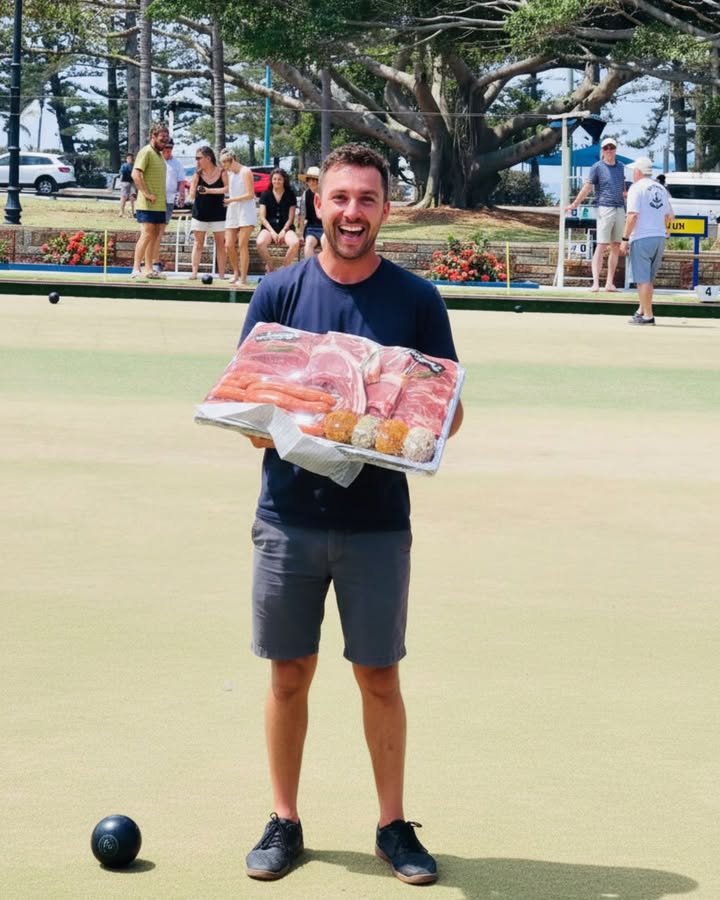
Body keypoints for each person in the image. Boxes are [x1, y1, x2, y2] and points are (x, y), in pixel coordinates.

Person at [239, 143, 464, 886]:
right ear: (318, 203)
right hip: (288, 517)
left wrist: (411, 426)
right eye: (340, 199)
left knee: (378, 676)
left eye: (366, 199)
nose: (352, 213)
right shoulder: (278, 294)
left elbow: (447, 415)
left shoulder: (416, 301)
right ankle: (284, 820)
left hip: (375, 524)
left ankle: (392, 827)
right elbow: (245, 408)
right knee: (287, 676)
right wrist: (292, 423)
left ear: (385, 209)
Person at [565, 136, 626, 292]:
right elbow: (587, 187)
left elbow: (622, 189)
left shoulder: (620, 167)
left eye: (611, 147)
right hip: (604, 208)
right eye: (606, 148)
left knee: (616, 246)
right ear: (602, 151)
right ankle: (596, 283)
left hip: (620, 208)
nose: (609, 150)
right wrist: (575, 204)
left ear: (615, 149)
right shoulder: (597, 167)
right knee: (601, 245)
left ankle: (609, 283)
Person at [620, 156, 674, 326]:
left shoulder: (636, 188)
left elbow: (632, 215)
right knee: (647, 279)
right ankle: (642, 310)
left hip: (642, 237)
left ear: (638, 171)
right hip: (659, 238)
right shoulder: (660, 188)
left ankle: (648, 315)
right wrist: (666, 230)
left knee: (642, 279)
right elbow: (670, 215)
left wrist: (624, 238)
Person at [131, 123, 169, 280]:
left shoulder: (159, 155)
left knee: (155, 235)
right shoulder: (145, 152)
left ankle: (148, 268)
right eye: (162, 137)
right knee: (146, 234)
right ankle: (135, 268)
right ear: (153, 136)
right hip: (147, 203)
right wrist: (146, 194)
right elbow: (135, 174)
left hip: (159, 203)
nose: (165, 140)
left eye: (167, 137)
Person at [187, 146, 228, 279]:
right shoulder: (197, 174)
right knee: (198, 243)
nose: (197, 161)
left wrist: (209, 191)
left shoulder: (222, 172)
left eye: (199, 158)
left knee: (220, 245)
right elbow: (192, 194)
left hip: (218, 213)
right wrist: (191, 189)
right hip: (200, 213)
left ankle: (221, 275)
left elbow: (227, 188)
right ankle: (194, 273)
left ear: (208, 158)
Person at [219, 148, 257, 286]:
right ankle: (236, 273)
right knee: (228, 244)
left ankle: (243, 278)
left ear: (232, 160)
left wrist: (231, 200)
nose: (223, 165)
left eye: (224, 162)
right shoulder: (230, 174)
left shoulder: (245, 171)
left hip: (246, 210)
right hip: (233, 210)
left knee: (242, 244)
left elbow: (250, 194)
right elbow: (226, 190)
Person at [152, 137, 188, 276]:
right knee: (151, 231)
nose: (167, 151)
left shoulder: (176, 164)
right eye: (165, 148)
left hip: (168, 200)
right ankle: (151, 260)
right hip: (155, 199)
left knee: (160, 232)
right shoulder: (156, 160)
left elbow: (181, 181)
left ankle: (155, 261)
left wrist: (182, 195)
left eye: (170, 148)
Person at [255, 167, 299, 272]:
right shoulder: (265, 194)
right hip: (269, 228)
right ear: (271, 180)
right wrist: (272, 232)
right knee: (260, 242)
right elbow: (262, 217)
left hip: (286, 227)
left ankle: (284, 268)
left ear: (284, 180)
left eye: (279, 179)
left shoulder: (290, 194)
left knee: (295, 243)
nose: (276, 181)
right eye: (274, 179)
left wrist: (284, 230)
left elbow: (291, 217)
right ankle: (271, 267)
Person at [296, 165, 324, 259]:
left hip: (325, 228)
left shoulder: (326, 193)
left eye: (314, 180)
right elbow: (302, 215)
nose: (311, 182)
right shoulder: (305, 195)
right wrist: (300, 235)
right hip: (311, 228)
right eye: (309, 180)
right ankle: (311, 271)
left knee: (327, 245)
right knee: (308, 244)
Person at [118, 153, 136, 219]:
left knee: (132, 198)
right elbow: (121, 174)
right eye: (129, 158)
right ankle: (121, 212)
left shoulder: (133, 166)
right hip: (125, 183)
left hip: (131, 183)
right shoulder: (126, 166)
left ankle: (132, 212)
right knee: (124, 197)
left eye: (131, 158)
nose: (130, 160)